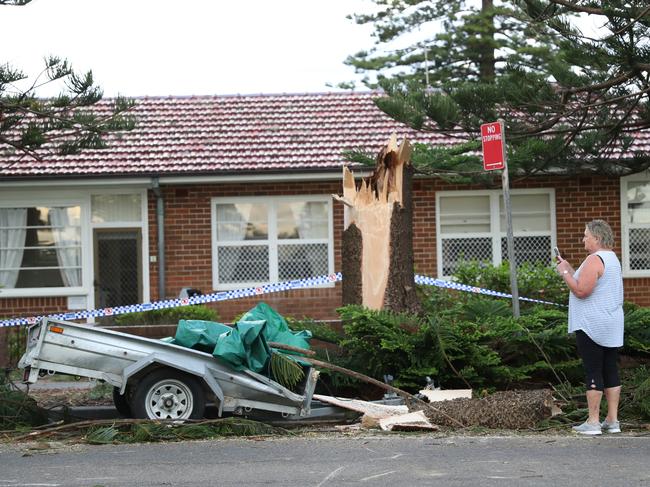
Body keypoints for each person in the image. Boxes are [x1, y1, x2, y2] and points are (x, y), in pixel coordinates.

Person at [556, 219, 624, 436]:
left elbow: (582, 291)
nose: (583, 239)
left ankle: (593, 422)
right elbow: (593, 284)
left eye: (586, 235)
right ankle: (612, 420)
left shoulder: (594, 259)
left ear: (596, 237)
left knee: (593, 369)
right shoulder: (612, 258)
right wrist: (570, 268)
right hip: (611, 322)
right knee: (610, 369)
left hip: (592, 325)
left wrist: (565, 273)